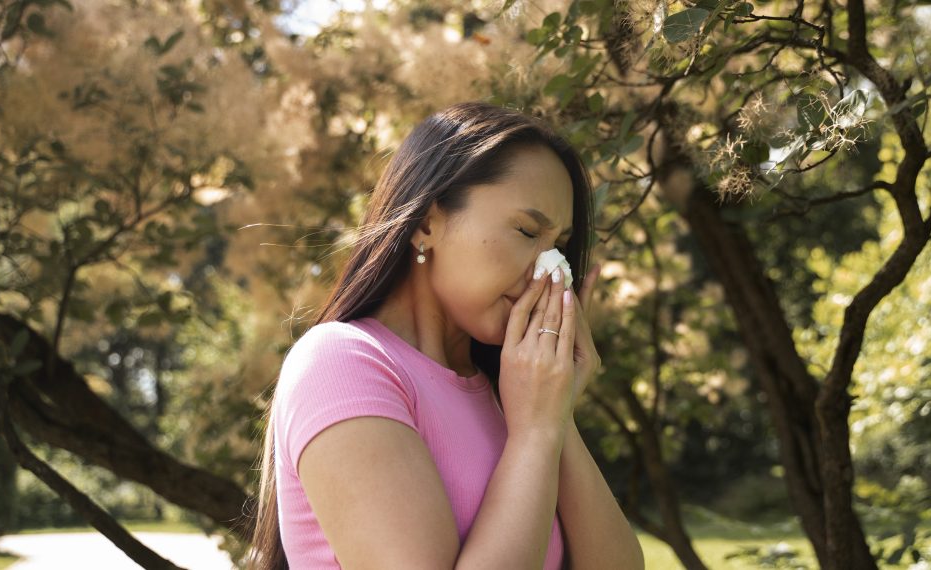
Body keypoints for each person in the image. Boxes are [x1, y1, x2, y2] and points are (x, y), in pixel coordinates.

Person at [246, 101, 644, 569]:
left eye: (557, 246)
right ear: (427, 222)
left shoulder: (511, 396)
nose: (549, 271)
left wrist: (555, 418)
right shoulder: (342, 364)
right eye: (526, 230)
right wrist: (535, 434)